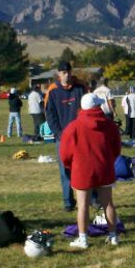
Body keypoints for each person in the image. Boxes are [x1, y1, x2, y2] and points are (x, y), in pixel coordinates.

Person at [60, 93, 122, 249]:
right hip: (104, 168)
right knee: (108, 204)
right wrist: (108, 161)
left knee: (82, 206)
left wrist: (71, 165)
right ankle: (113, 236)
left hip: (82, 169)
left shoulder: (74, 126)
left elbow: (65, 154)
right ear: (97, 106)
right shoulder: (110, 125)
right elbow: (116, 149)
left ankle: (83, 238)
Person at [45, 61, 87, 212]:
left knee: (86, 167)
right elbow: (50, 114)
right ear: (59, 74)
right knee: (65, 170)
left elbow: (87, 108)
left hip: (81, 136)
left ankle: (92, 198)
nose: (67, 75)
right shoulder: (53, 90)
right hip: (63, 138)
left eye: (68, 71)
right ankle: (68, 202)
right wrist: (59, 133)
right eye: (63, 72)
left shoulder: (80, 87)